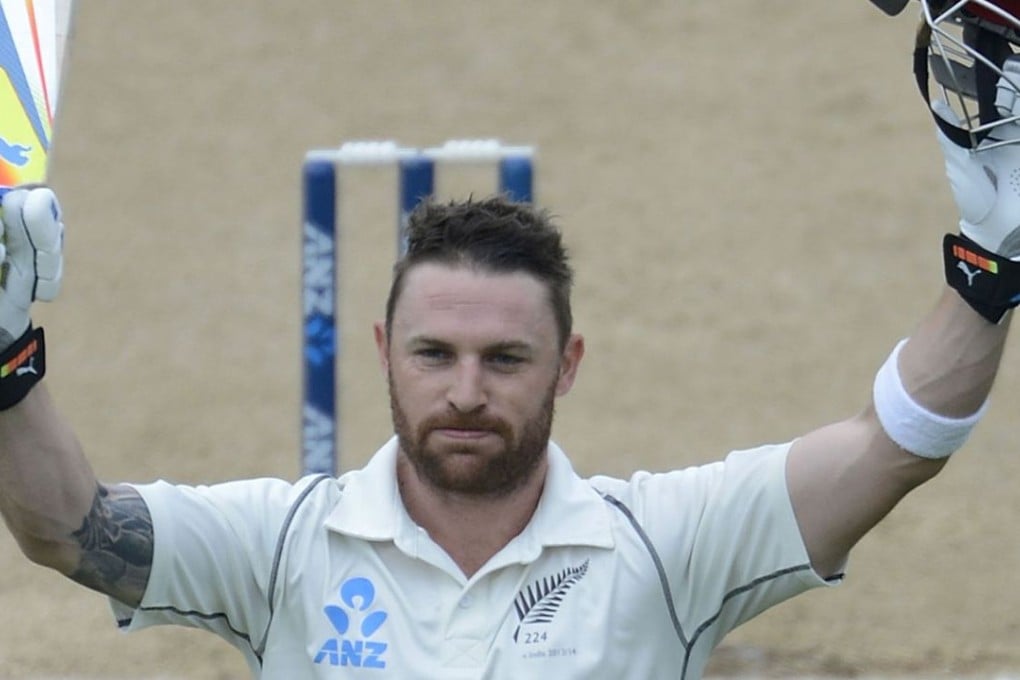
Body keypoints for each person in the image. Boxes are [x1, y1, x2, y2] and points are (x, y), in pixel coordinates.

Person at [3, 13, 1020, 680]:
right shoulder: (287, 545)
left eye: (506, 359)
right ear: (383, 350)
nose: (466, 389)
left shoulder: (660, 543)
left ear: (567, 364)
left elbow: (895, 443)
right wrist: (6, 353)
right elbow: (69, 529)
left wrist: (991, 263)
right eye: (435, 352)